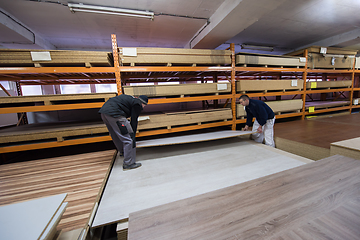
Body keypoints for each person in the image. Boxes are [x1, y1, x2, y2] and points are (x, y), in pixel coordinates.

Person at [99, 94, 148, 170]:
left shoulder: (131, 99)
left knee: (115, 134)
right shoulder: (137, 104)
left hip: (104, 113)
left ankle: (123, 152)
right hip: (115, 113)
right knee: (128, 138)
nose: (143, 108)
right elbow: (134, 121)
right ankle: (128, 163)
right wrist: (133, 135)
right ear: (143, 103)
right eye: (144, 106)